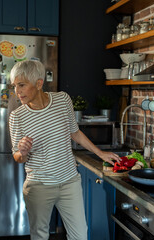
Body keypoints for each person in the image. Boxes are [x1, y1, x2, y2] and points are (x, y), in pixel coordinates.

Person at [8, 60, 121, 240]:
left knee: (80, 235)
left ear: (39, 83)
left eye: (21, 85)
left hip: (69, 182)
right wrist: (22, 152)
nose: (17, 91)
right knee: (40, 236)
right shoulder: (17, 117)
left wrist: (100, 153)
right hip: (39, 186)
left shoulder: (62, 100)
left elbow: (74, 132)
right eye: (14, 86)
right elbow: (17, 157)